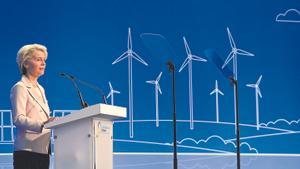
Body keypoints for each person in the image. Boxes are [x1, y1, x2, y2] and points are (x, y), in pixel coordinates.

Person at [10, 44, 56, 169]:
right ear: (26, 64)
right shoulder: (20, 87)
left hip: (43, 149)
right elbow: (18, 118)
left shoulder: (41, 89)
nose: (43, 63)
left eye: (44, 60)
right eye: (38, 59)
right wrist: (42, 124)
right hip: (27, 151)